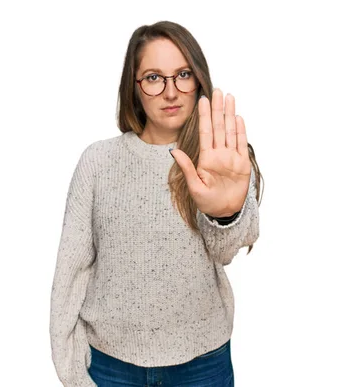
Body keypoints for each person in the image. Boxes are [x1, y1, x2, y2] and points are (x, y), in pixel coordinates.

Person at [50, 20, 262, 387]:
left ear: (198, 79)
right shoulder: (98, 163)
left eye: (182, 74)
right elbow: (71, 271)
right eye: (153, 77)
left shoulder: (223, 158)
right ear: (133, 87)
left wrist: (225, 212)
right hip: (111, 365)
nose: (170, 91)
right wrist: (71, 370)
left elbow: (227, 251)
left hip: (202, 364)